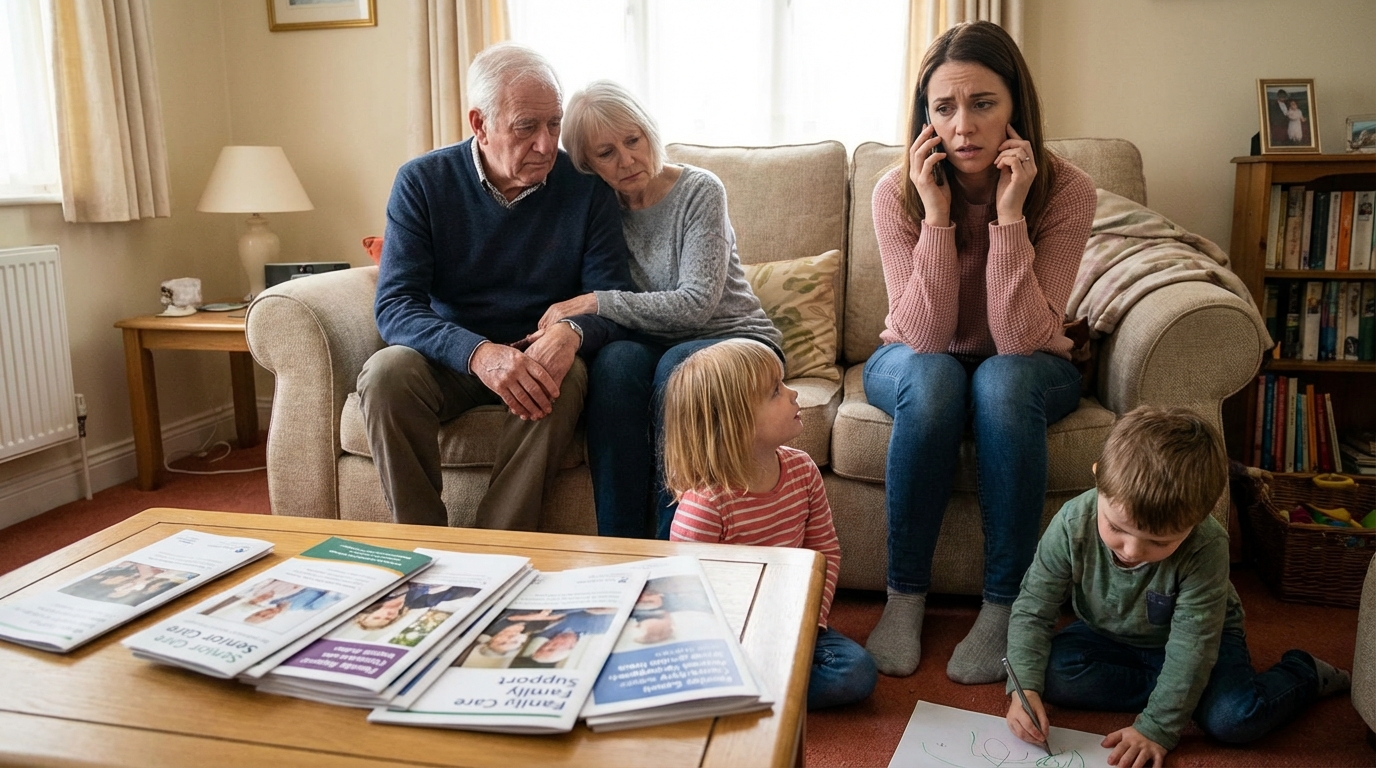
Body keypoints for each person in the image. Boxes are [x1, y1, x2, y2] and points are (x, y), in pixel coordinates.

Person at [861, 20, 1096, 683]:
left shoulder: (1067, 190)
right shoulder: (895, 191)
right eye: (944, 107)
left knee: (1000, 379)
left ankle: (1006, 609)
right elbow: (926, 337)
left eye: (982, 103)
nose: (962, 125)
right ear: (926, 115)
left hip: (1028, 367)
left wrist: (1010, 214)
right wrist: (937, 218)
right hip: (911, 357)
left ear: (1016, 105)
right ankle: (904, 598)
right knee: (936, 376)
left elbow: (1022, 338)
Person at [359, 44, 637, 532]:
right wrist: (479, 353)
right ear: (480, 124)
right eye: (527, 126)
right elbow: (396, 306)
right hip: (451, 357)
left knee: (562, 377)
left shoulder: (585, 188)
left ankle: (496, 548)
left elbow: (611, 297)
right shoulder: (423, 182)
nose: (547, 144)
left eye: (554, 124)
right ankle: (423, 545)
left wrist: (571, 331)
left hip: (538, 353)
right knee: (385, 373)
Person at [1004, 406, 1351, 766]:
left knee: (1234, 719)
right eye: (1117, 528)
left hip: (1200, 640)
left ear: (1198, 519)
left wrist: (1157, 726)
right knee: (1050, 674)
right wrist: (1023, 689)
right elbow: (1034, 607)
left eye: (1159, 542)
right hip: (1110, 635)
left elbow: (1193, 647)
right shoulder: (1072, 522)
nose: (1133, 550)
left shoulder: (1207, 546)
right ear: (1097, 480)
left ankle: (1304, 671)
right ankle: (1184, 692)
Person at [540, 79, 782, 540]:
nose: (627, 159)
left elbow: (695, 305)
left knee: (678, 367)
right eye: (606, 152)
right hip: (650, 343)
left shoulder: (699, 190)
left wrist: (598, 300)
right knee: (614, 364)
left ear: (649, 132)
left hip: (735, 335)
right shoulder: (597, 207)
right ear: (586, 163)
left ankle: (676, 550)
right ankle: (621, 550)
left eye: (633, 140)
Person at [662, 339, 877, 710]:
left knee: (855, 672)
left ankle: (742, 691)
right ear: (734, 422)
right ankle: (742, 686)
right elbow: (686, 600)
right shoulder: (706, 504)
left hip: (791, 617)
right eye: (776, 391)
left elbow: (823, 553)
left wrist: (813, 622)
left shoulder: (802, 470)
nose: (794, 394)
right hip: (728, 632)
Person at [353, 583, 480, 631]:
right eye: (387, 620)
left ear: (370, 612)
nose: (386, 616)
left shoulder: (382, 594)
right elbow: (457, 592)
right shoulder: (417, 604)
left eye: (377, 617)